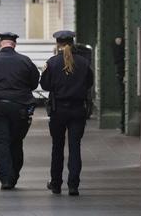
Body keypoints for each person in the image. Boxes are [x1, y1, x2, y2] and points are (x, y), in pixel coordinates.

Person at [0, 32, 39, 190]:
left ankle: (6, 179)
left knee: (1, 142)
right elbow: (34, 83)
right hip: (21, 107)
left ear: (0, 44)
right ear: (14, 44)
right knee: (16, 141)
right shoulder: (25, 61)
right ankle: (14, 175)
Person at [40, 30, 94, 196]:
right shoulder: (84, 63)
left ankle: (56, 184)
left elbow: (45, 85)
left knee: (57, 147)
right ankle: (73, 185)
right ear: (72, 43)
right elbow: (89, 83)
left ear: (58, 44)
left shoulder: (52, 62)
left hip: (58, 110)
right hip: (78, 109)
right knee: (75, 147)